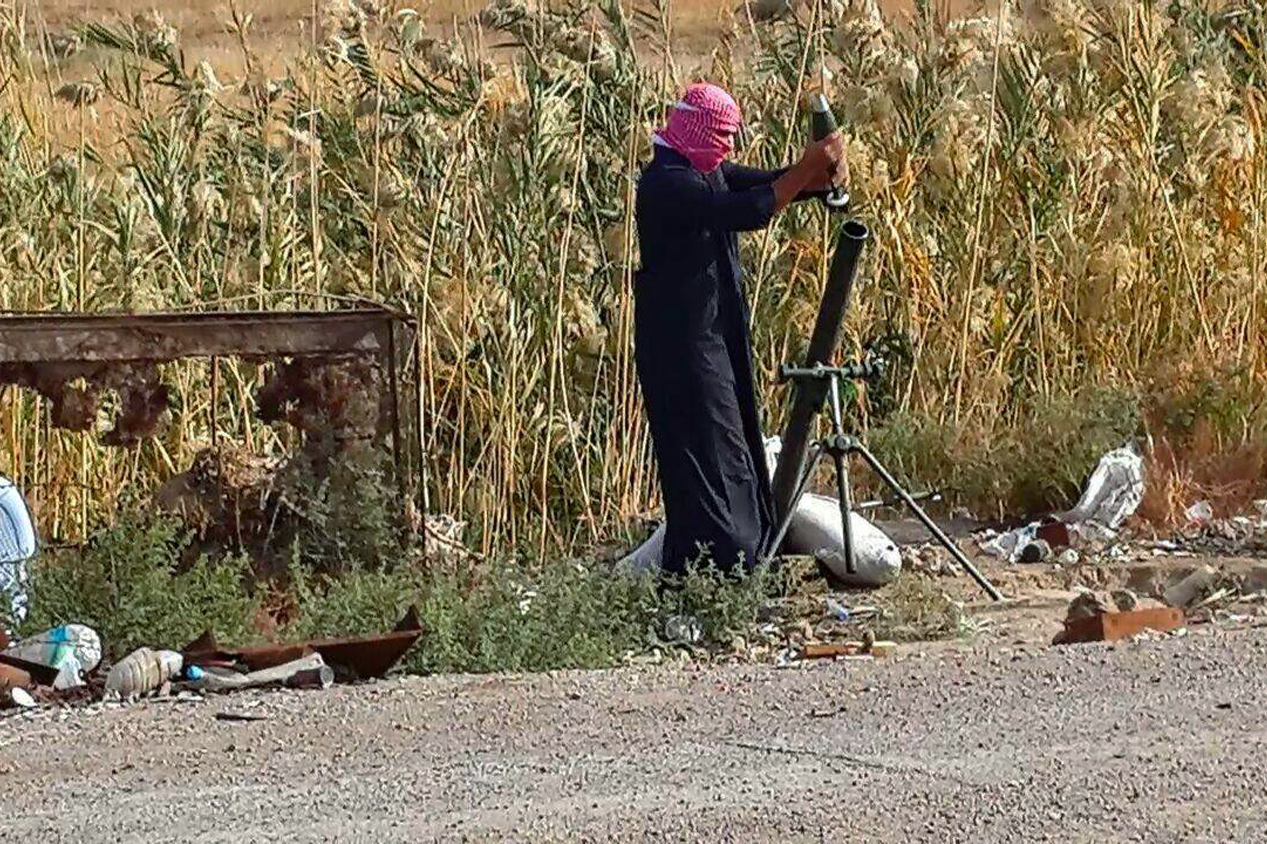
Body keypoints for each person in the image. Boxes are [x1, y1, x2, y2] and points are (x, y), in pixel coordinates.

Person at [633, 82, 845, 576]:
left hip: (713, 337)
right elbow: (745, 210)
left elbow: (761, 184)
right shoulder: (666, 182)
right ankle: (715, 559)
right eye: (722, 136)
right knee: (703, 446)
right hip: (680, 346)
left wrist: (815, 178)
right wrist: (806, 171)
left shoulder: (704, 170)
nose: (729, 148)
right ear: (696, 131)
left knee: (733, 440)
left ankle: (744, 551)